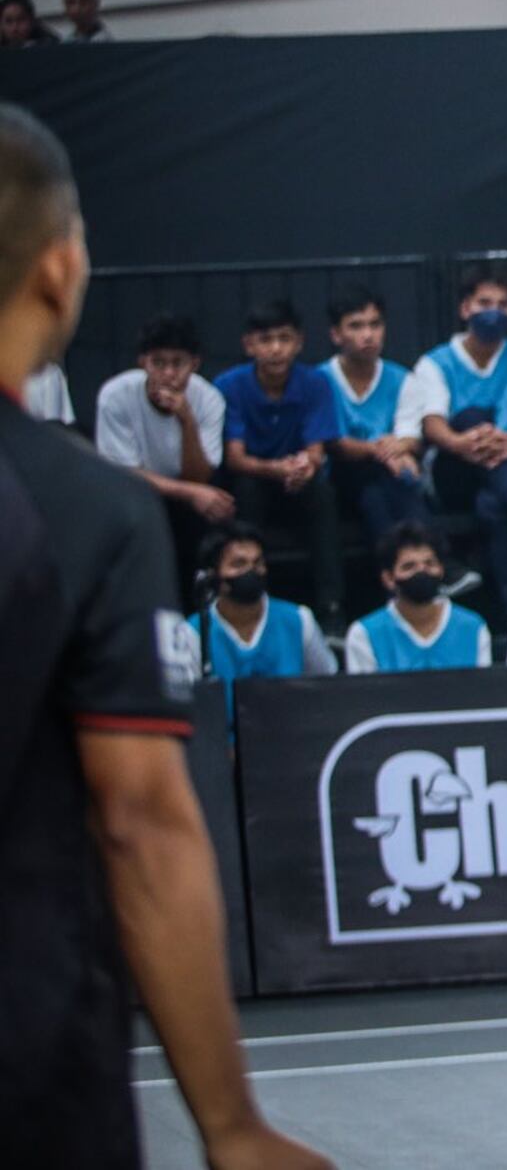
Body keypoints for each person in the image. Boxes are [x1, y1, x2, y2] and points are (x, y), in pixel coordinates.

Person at [0, 103, 331, 1170]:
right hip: (29, 1052)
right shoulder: (82, 508)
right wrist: (229, 1124)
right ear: (59, 268)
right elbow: (142, 821)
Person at [398, 265, 507, 612]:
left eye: (503, 304)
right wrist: (462, 443)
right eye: (484, 302)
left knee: (492, 503)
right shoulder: (434, 363)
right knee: (470, 417)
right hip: (455, 472)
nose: (494, 312)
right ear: (465, 308)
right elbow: (433, 422)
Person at [214, 299, 344, 622]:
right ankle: (250, 600)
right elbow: (235, 458)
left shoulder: (315, 382)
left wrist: (303, 467)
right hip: (255, 480)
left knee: (322, 492)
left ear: (298, 342)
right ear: (249, 345)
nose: (276, 349)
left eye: (284, 339)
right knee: (246, 489)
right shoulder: (229, 385)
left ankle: (332, 609)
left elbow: (317, 450)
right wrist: (276, 469)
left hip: (297, 481)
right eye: (265, 340)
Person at [94, 312, 236, 551]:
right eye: (158, 363)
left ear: (194, 364)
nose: (169, 374)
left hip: (187, 491)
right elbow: (124, 473)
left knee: (213, 508)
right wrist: (190, 492)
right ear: (143, 362)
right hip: (135, 492)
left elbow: (198, 477)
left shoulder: (209, 399)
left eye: (177, 363)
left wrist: (186, 420)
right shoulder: (116, 395)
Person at [320, 285, 428, 545]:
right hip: (338, 482)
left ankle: (406, 565)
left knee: (378, 491)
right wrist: (386, 452)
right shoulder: (319, 380)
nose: (368, 335)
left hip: (383, 481)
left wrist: (396, 450)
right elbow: (336, 445)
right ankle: (436, 561)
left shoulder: (403, 379)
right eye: (355, 326)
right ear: (335, 334)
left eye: (375, 324)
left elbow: (410, 438)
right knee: (385, 475)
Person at [189, 525, 336, 699]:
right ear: (213, 575)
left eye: (257, 563)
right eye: (239, 564)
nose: (251, 571)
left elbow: (329, 685)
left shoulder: (299, 620)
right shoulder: (192, 633)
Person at [344, 522, 491, 674]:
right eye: (409, 566)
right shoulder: (364, 634)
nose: (422, 571)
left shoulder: (473, 628)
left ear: (441, 570)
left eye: (429, 564)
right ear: (388, 578)